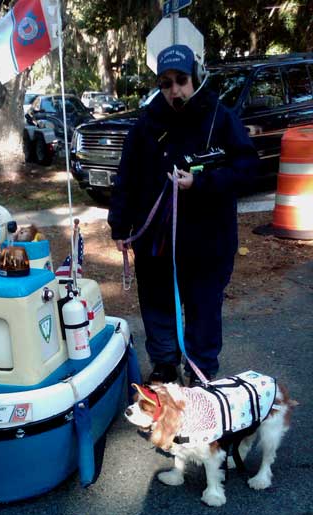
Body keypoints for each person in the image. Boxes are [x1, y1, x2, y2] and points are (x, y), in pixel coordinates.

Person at [108, 44, 259, 386]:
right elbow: (126, 175)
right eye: (165, 83)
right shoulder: (147, 122)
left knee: (204, 309)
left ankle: (201, 371)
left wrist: (202, 183)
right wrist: (119, 224)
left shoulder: (221, 118)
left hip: (208, 239)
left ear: (196, 78)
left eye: (181, 80)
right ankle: (164, 365)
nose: (174, 90)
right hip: (155, 242)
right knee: (157, 303)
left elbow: (247, 168)